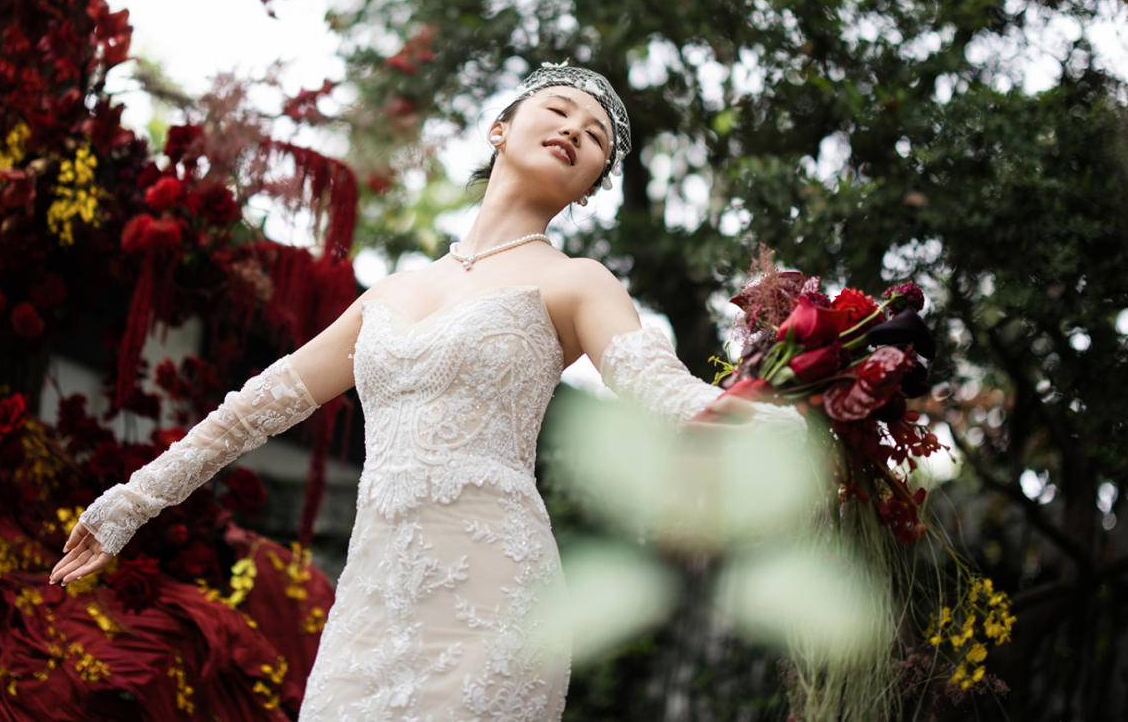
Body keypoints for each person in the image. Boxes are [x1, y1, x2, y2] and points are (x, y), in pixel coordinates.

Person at [49, 65, 804, 721]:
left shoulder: (577, 281)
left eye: (598, 138)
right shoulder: (390, 293)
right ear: (499, 129)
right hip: (372, 597)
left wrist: (794, 405)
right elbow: (252, 408)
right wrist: (130, 502)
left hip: (493, 594)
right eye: (560, 110)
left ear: (585, 193)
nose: (577, 129)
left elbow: (662, 394)